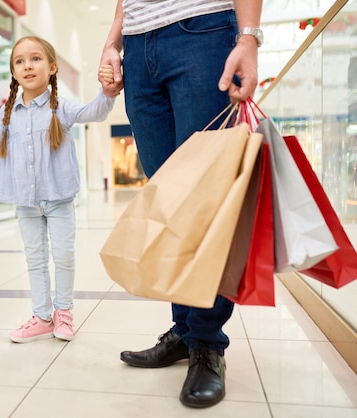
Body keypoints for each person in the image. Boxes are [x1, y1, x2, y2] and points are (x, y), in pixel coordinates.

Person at [98, 0, 262, 409]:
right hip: (137, 48)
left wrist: (249, 37)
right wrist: (112, 41)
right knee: (168, 201)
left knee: (206, 198)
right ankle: (185, 331)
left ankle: (207, 342)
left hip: (203, 33)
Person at [0, 36, 117, 343]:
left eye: (36, 59)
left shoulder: (61, 108)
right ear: (14, 72)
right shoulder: (7, 113)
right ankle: (42, 316)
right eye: (20, 61)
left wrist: (106, 93)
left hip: (59, 199)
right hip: (25, 203)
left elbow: (94, 112)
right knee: (35, 258)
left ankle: (63, 312)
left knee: (64, 255)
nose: (28, 66)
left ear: (52, 68)